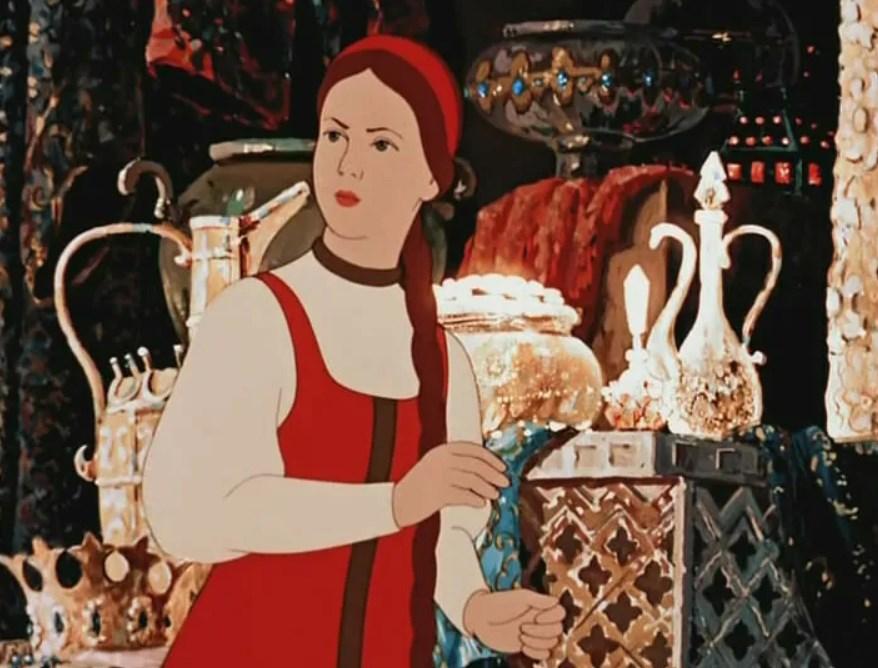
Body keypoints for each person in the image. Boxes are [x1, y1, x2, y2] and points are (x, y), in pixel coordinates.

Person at [142, 35, 565, 666]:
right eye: (335, 136)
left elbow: (442, 536)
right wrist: (393, 503)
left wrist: (477, 610)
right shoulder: (257, 317)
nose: (349, 164)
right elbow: (189, 514)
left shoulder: (447, 361)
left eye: (381, 144)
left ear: (431, 176)